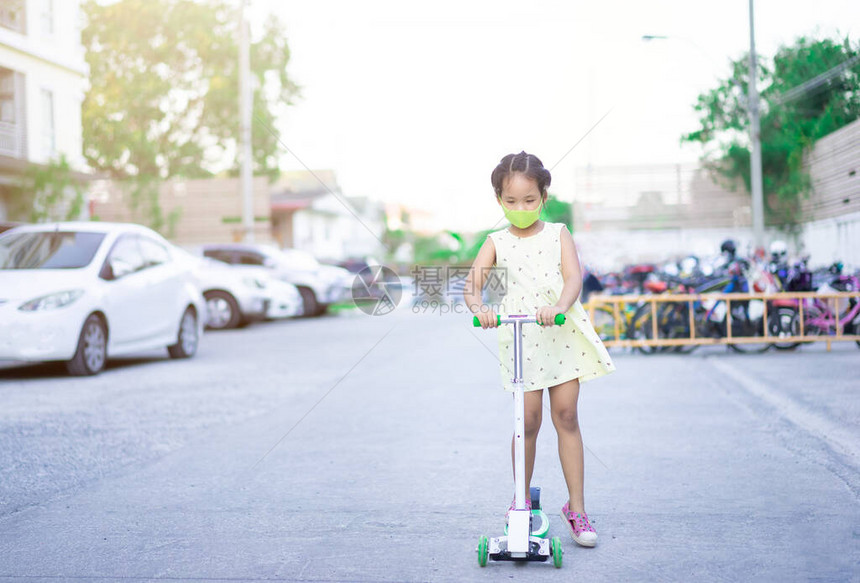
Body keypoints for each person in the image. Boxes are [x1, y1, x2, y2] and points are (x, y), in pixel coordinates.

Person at [464, 151, 615, 548]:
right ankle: (520, 503)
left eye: (529, 200)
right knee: (526, 421)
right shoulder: (495, 241)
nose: (521, 208)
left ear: (543, 196)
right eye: (511, 201)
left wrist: (560, 307)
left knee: (565, 415)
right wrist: (482, 310)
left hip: (558, 331)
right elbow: (471, 286)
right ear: (499, 200)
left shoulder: (557, 233)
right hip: (521, 336)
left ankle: (577, 508)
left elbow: (573, 278)